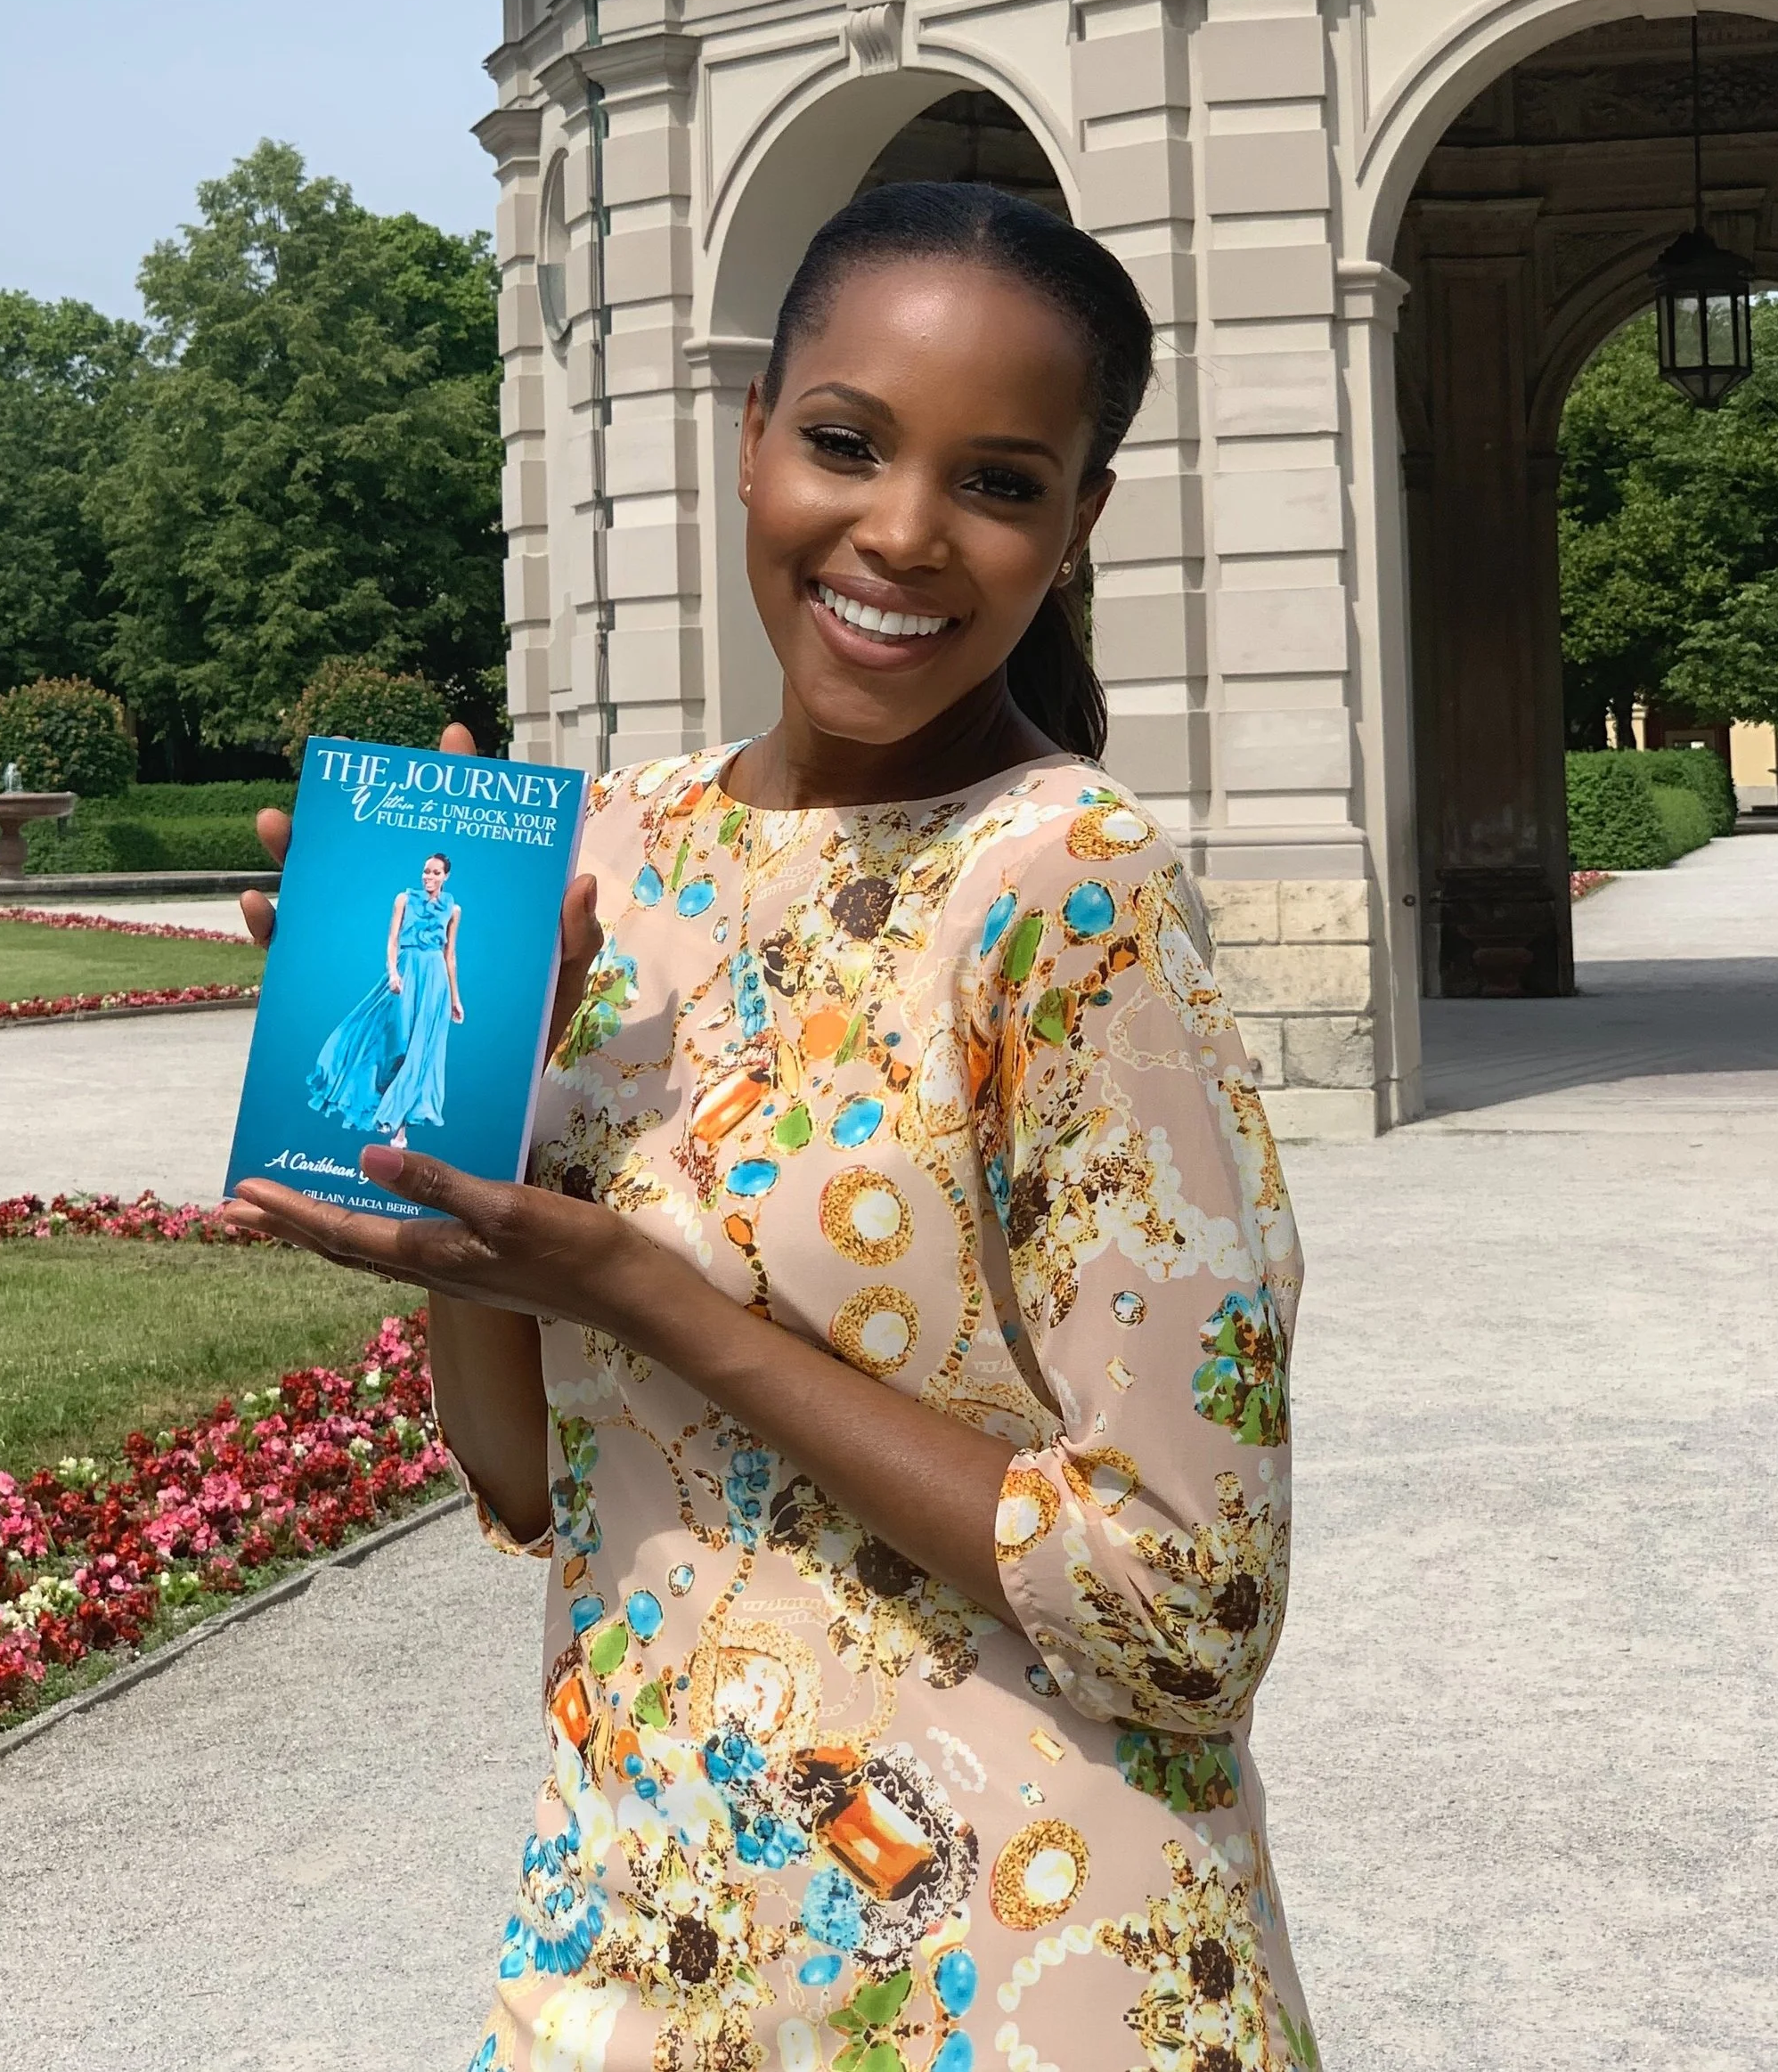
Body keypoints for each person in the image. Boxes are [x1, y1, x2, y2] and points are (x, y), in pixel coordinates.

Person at [226, 183, 1314, 2068]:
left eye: (994, 479)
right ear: (749, 440)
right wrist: (459, 1111)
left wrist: (650, 1295)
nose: (897, 530)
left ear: (1073, 526)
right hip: (646, 1931)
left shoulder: (1063, 885)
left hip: (1008, 1956)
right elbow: (523, 1478)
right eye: (842, 441)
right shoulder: (613, 854)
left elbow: (1182, 1602)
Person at [306, 852, 464, 1147]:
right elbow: (392, 940)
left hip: (435, 983)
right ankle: (368, 1097)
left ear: (446, 876)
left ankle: (399, 1126)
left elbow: (450, 955)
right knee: (398, 1044)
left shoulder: (453, 910)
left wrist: (455, 997)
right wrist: (393, 973)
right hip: (406, 973)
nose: (428, 877)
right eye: (426, 871)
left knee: (421, 1052)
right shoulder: (404, 900)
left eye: (435, 873)